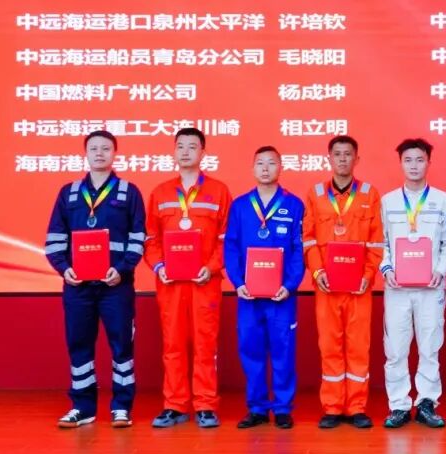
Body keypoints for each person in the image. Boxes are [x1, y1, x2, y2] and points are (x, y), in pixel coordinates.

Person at [43, 130, 145, 428]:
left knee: (122, 347)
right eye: (94, 149)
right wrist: (64, 268)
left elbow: (139, 238)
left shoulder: (129, 192)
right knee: (79, 345)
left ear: (115, 154)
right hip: (78, 287)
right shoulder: (69, 193)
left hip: (116, 286)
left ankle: (121, 407)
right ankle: (82, 407)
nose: (99, 153)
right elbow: (54, 238)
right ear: (85, 154)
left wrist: (122, 269)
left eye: (106, 149)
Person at [144, 128, 231, 429]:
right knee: (173, 345)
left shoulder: (219, 191)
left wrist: (212, 266)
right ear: (174, 151)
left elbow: (226, 238)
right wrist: (159, 267)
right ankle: (175, 405)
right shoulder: (160, 193)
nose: (185, 152)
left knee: (205, 344)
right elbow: (151, 239)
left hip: (205, 282)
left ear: (203, 153)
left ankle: (205, 404)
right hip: (171, 284)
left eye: (192, 147)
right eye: (180, 146)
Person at [302, 135, 385, 429]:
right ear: (329, 158)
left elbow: (377, 241)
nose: (342, 159)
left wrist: (368, 275)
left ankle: (357, 407)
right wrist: (317, 272)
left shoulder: (369, 194)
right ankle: (333, 406)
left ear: (356, 159)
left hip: (358, 287)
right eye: (337, 154)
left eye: (348, 154)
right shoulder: (315, 194)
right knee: (330, 346)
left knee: (358, 346)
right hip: (327, 287)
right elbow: (308, 239)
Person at [224, 146, 305, 430]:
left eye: (271, 163)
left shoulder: (294, 205)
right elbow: (231, 246)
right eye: (260, 163)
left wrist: (290, 285)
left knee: (284, 351)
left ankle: (282, 407)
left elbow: (298, 250)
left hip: (282, 296)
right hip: (249, 296)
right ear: (253, 169)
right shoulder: (240, 205)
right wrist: (238, 282)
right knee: (251, 350)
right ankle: (257, 407)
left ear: (281, 167)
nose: (266, 168)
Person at [379, 138, 446, 429]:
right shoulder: (387, 201)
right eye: (408, 160)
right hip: (397, 288)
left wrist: (441, 270)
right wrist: (386, 268)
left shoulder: (442, 199)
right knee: (395, 349)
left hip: (431, 288)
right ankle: (398, 405)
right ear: (400, 163)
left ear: (428, 163)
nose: (414, 165)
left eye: (419, 160)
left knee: (430, 346)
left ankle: (426, 403)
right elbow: (381, 243)